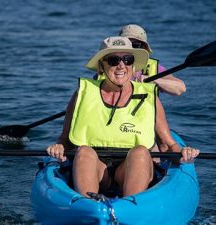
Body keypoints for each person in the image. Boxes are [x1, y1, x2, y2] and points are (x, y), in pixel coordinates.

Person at [46, 36, 199, 198]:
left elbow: (168, 146)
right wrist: (59, 147)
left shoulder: (149, 97)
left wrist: (184, 152)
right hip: (95, 168)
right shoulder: (82, 94)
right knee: (84, 151)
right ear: (101, 67)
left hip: (130, 168)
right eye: (113, 60)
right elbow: (65, 139)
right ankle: (88, 206)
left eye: (128, 59)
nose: (121, 65)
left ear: (133, 66)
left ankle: (131, 206)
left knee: (140, 152)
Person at [119, 24, 186, 96]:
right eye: (126, 44)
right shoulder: (109, 65)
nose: (131, 49)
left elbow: (180, 89)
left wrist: (154, 80)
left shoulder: (153, 68)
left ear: (144, 48)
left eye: (136, 45)